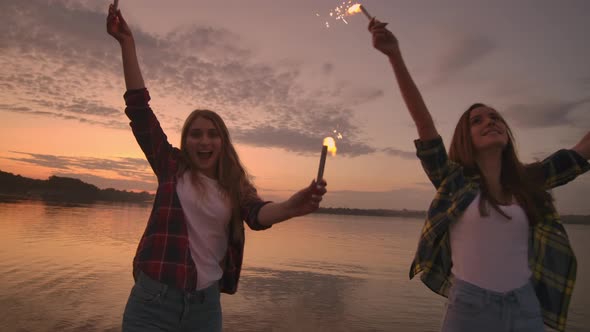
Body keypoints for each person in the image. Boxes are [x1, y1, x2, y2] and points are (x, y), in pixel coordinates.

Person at [106, 5, 328, 332]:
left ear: (222, 142)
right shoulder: (171, 167)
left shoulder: (234, 184)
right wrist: (127, 44)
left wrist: (291, 208)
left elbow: (256, 214)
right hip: (153, 301)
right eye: (195, 134)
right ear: (186, 141)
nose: (204, 141)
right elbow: (139, 109)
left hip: (205, 307)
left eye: (212, 134)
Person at [368, 17, 590, 332]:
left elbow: (580, 151)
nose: (490, 121)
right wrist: (395, 55)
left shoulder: (529, 181)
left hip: (525, 307)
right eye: (477, 120)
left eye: (495, 117)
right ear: (465, 138)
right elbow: (425, 126)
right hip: (469, 308)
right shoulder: (453, 180)